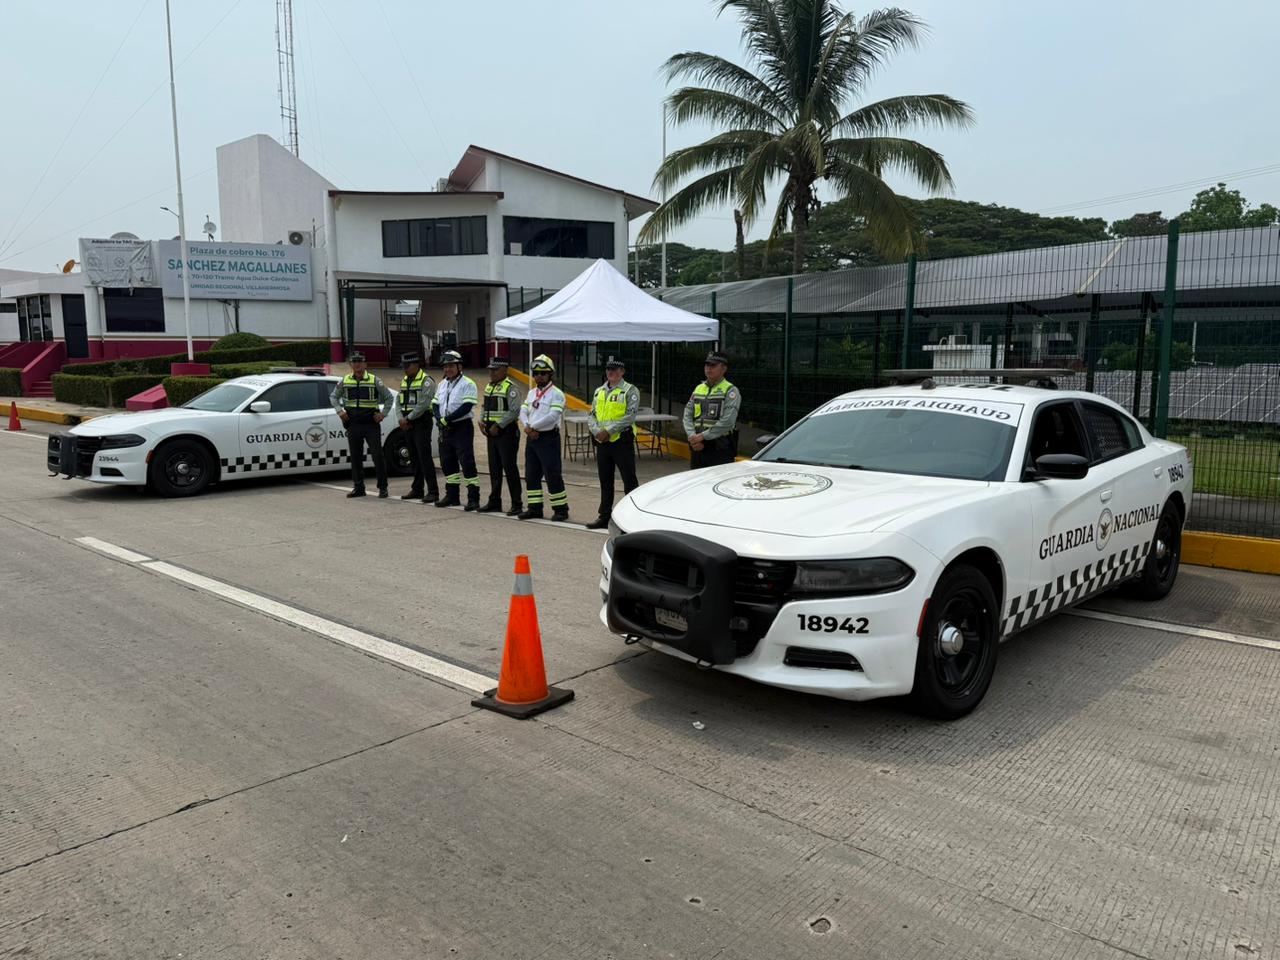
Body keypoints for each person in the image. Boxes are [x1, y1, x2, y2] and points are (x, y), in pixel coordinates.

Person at [584, 355, 639, 530]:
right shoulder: (599, 391)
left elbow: (630, 416)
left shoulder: (630, 390)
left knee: (629, 480)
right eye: (608, 369)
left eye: (615, 369)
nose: (611, 372)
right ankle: (604, 516)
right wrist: (596, 431)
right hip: (603, 442)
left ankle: (632, 518)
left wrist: (609, 431)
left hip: (621, 442)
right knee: (605, 482)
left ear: (622, 371)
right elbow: (591, 415)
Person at [330, 350, 395, 498]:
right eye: (354, 362)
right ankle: (359, 487)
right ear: (351, 364)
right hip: (353, 424)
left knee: (377, 455)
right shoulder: (345, 380)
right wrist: (340, 411)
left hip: (370, 424)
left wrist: (383, 414)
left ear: (365, 364)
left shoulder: (374, 380)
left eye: (360, 362)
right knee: (356, 457)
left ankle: (383, 488)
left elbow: (389, 398)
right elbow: (333, 397)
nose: (357, 364)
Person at [518, 354, 569, 522]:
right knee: (531, 475)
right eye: (536, 373)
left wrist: (532, 427)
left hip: (548, 438)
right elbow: (523, 411)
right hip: (532, 438)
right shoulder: (532, 392)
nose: (539, 376)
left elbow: (553, 416)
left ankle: (561, 510)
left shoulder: (557, 394)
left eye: (543, 373)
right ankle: (535, 508)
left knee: (552, 474)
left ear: (550, 375)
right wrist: (527, 426)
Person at [431, 349, 481, 511]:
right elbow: (435, 403)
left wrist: (448, 419)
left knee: (467, 463)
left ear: (459, 366)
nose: (448, 369)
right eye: (445, 366)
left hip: (462, 427)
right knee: (447, 462)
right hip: (445, 428)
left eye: (451, 365)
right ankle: (452, 496)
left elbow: (467, 406)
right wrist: (439, 418)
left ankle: (473, 498)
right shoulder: (442, 384)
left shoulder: (468, 383)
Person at [479, 355, 523, 516]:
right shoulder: (490, 386)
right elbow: (484, 406)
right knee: (494, 469)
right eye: (491, 370)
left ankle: (516, 504)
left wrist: (499, 425)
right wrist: (481, 420)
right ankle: (494, 501)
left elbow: (514, 410)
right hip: (491, 433)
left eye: (495, 370)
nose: (492, 373)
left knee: (509, 468)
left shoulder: (510, 388)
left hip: (506, 433)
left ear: (505, 370)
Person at [683, 350, 741, 469]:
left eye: (713, 365)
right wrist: (693, 437)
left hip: (720, 448)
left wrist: (702, 436)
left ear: (723, 368)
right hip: (697, 446)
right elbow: (687, 414)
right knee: (697, 484)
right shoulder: (698, 388)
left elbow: (728, 422)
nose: (708, 368)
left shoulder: (730, 390)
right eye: (707, 365)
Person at [396, 352, 439, 503]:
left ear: (416, 365)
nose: (405, 370)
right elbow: (398, 401)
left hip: (421, 422)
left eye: (407, 366)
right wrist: (401, 418)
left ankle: (433, 491)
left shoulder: (426, 381)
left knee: (424, 457)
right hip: (408, 424)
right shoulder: (405, 380)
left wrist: (408, 418)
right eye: (404, 367)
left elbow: (424, 404)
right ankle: (417, 489)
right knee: (413, 457)